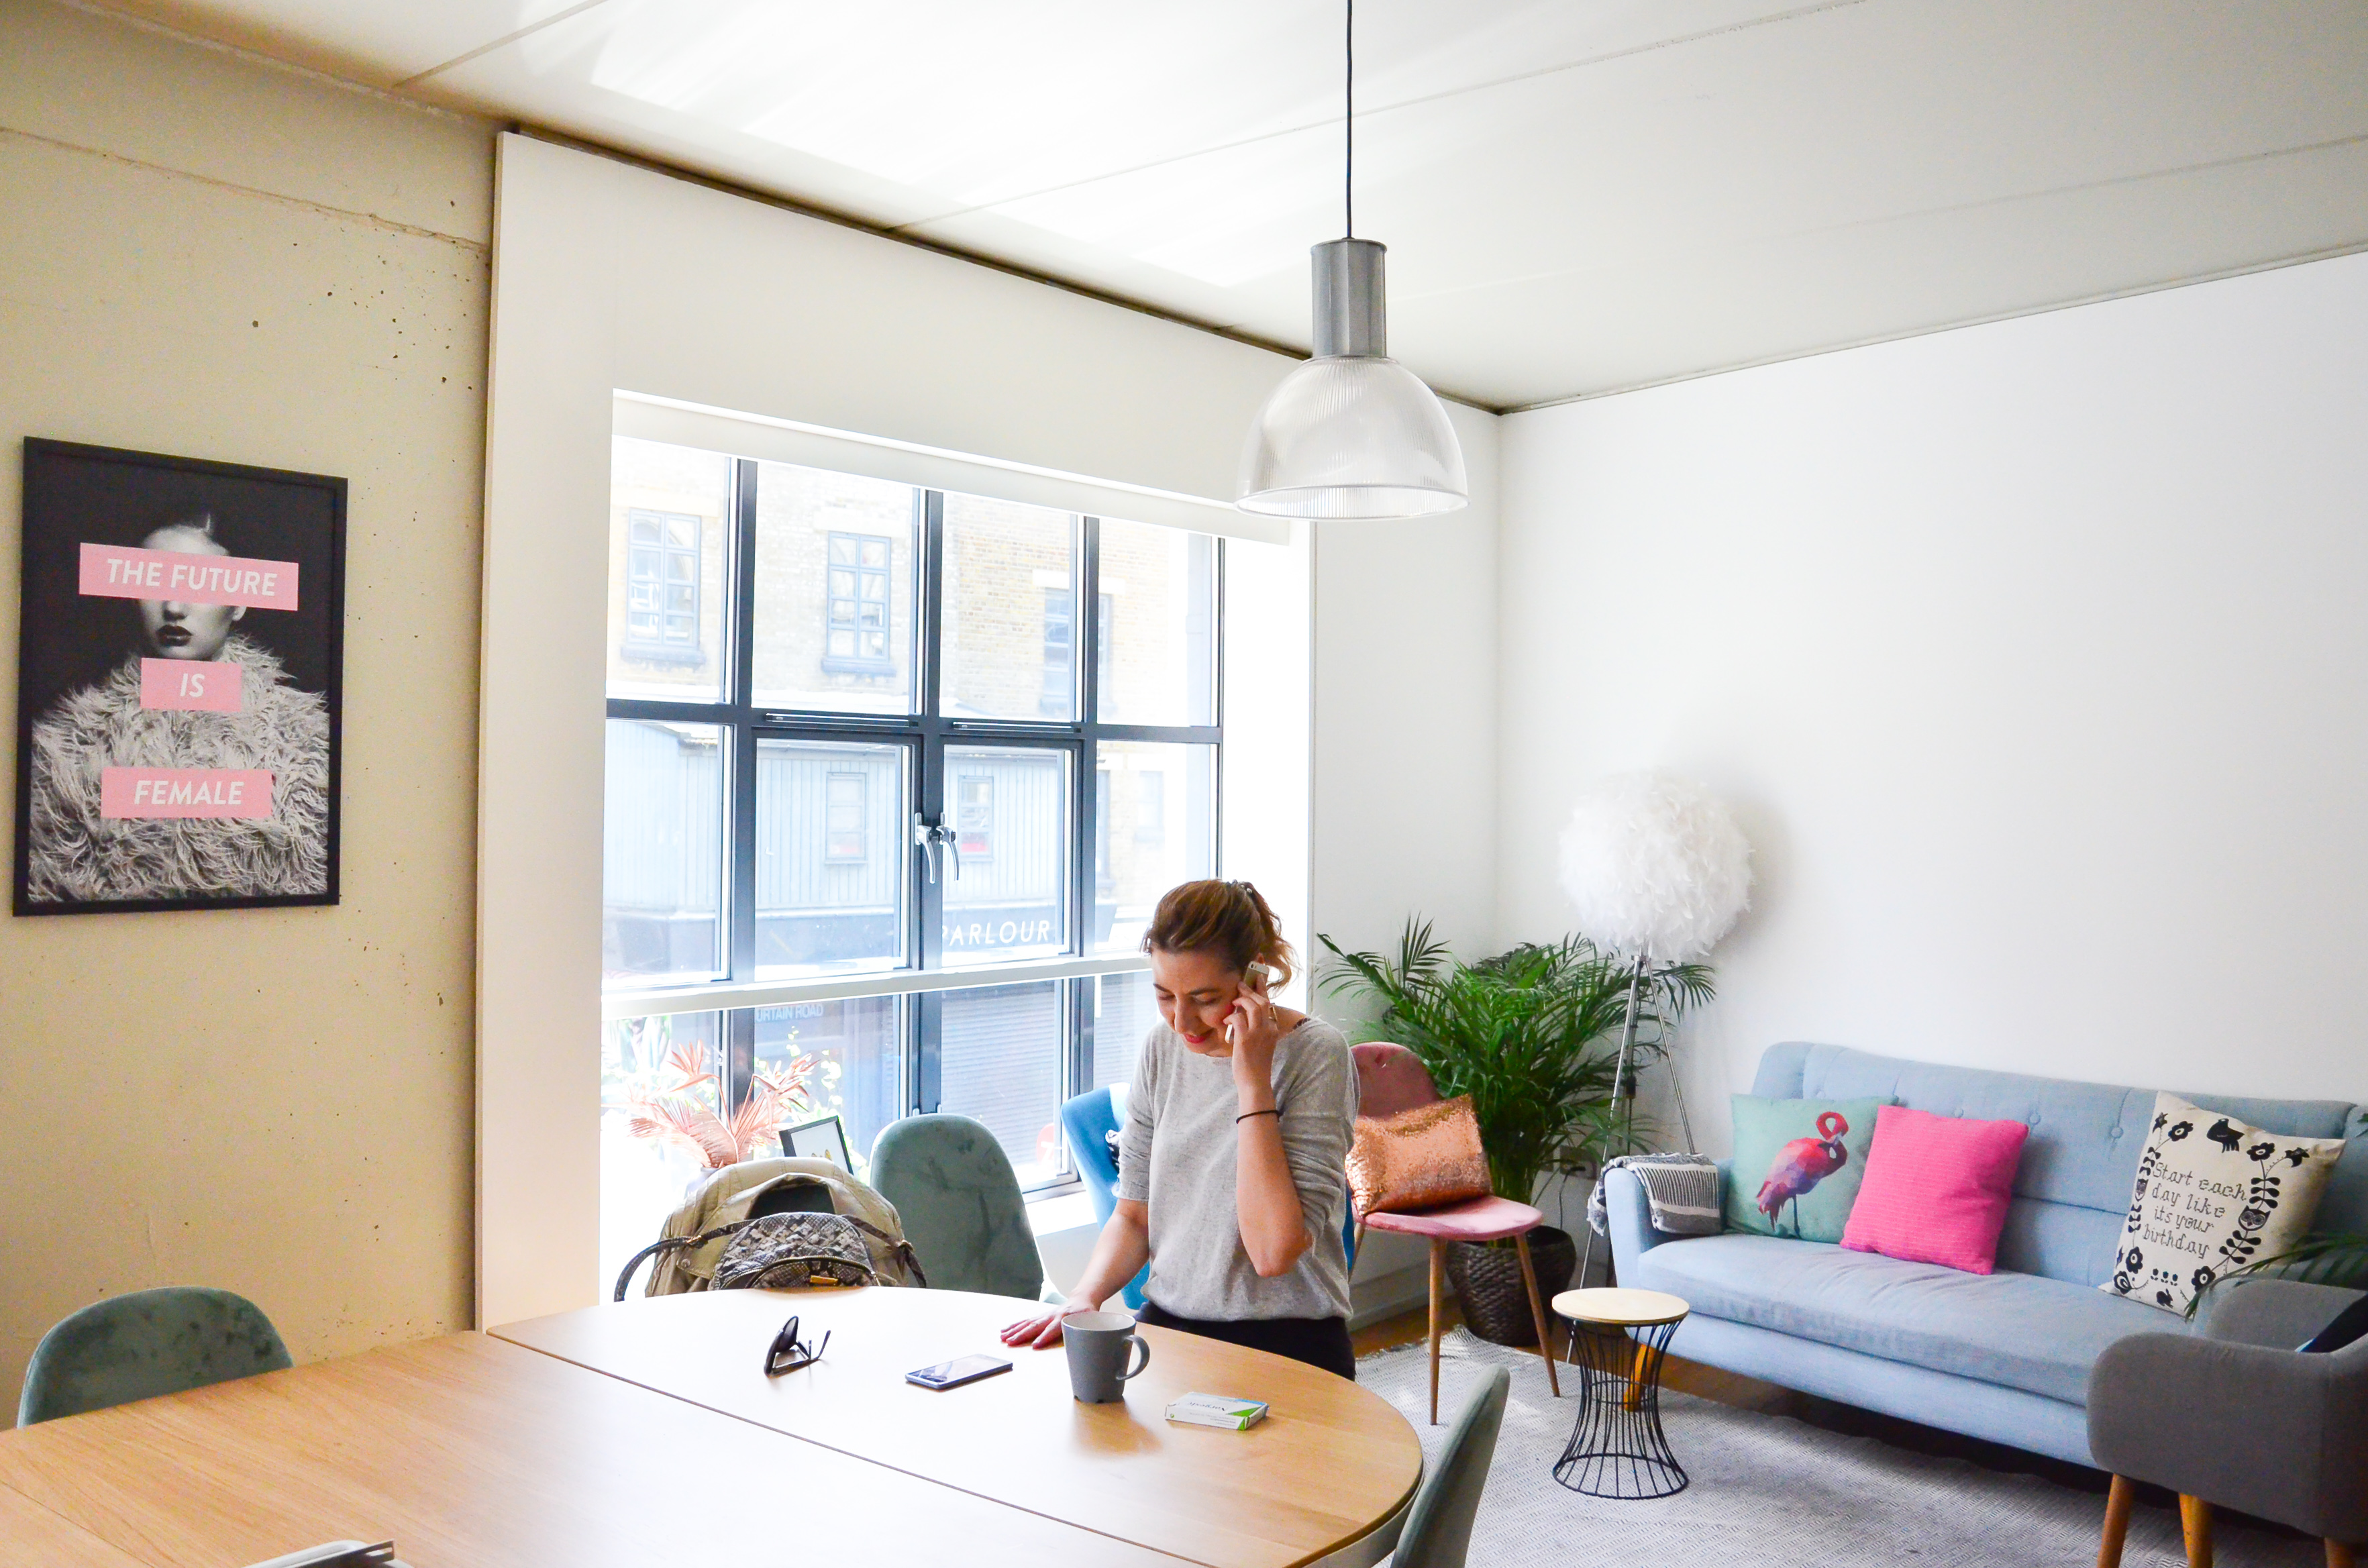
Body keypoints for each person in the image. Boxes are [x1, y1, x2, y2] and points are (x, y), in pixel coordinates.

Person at [1002, 880, 1358, 1378]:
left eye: (1204, 998)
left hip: (1289, 1339)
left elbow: (1273, 1252)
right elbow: (1134, 1216)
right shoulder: (1161, 1049)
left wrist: (1252, 1081)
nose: (1182, 1021)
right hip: (1169, 1328)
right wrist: (1085, 1296)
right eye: (1164, 995)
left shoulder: (1316, 1054)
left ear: (1255, 975)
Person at [25, 513, 331, 904]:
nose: (173, 607)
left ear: (239, 602)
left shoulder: (305, 749)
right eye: (153, 582)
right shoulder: (66, 752)